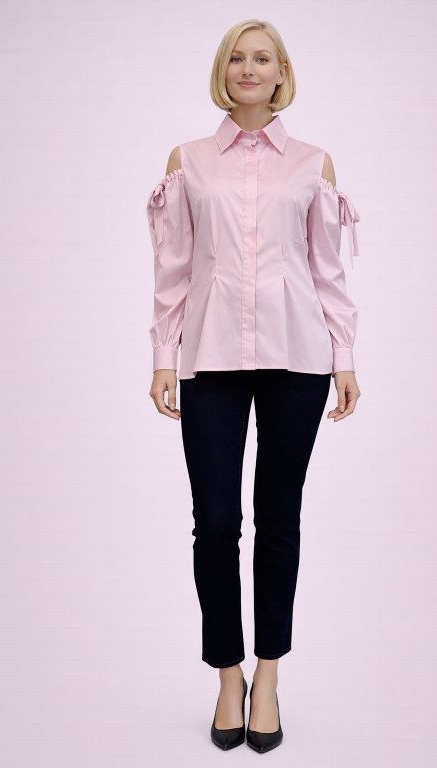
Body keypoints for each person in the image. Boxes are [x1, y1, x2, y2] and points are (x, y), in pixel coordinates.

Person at [145, 19, 362, 754]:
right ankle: (227, 673)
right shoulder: (188, 161)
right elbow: (173, 267)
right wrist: (163, 356)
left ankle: (268, 675)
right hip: (208, 357)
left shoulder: (312, 163)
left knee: (279, 520)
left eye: (261, 58)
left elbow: (327, 270)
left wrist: (345, 356)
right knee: (215, 523)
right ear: (223, 71)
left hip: (298, 357)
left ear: (281, 73)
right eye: (236, 58)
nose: (248, 68)